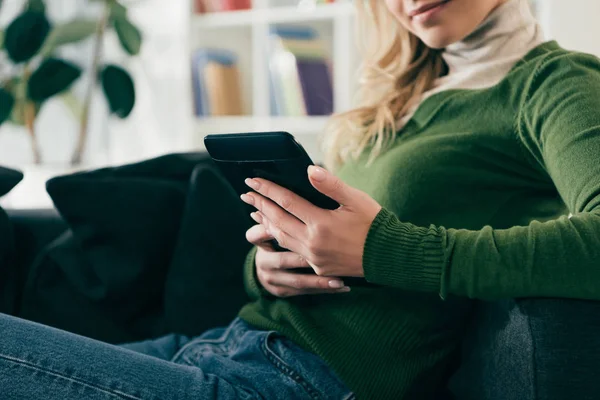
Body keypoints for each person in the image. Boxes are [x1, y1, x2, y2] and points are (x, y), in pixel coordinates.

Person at [2, 0, 600, 398]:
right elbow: (331, 245)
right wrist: (272, 266)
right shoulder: (405, 96)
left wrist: (382, 250)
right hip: (225, 345)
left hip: (297, 382)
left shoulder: (555, 86)